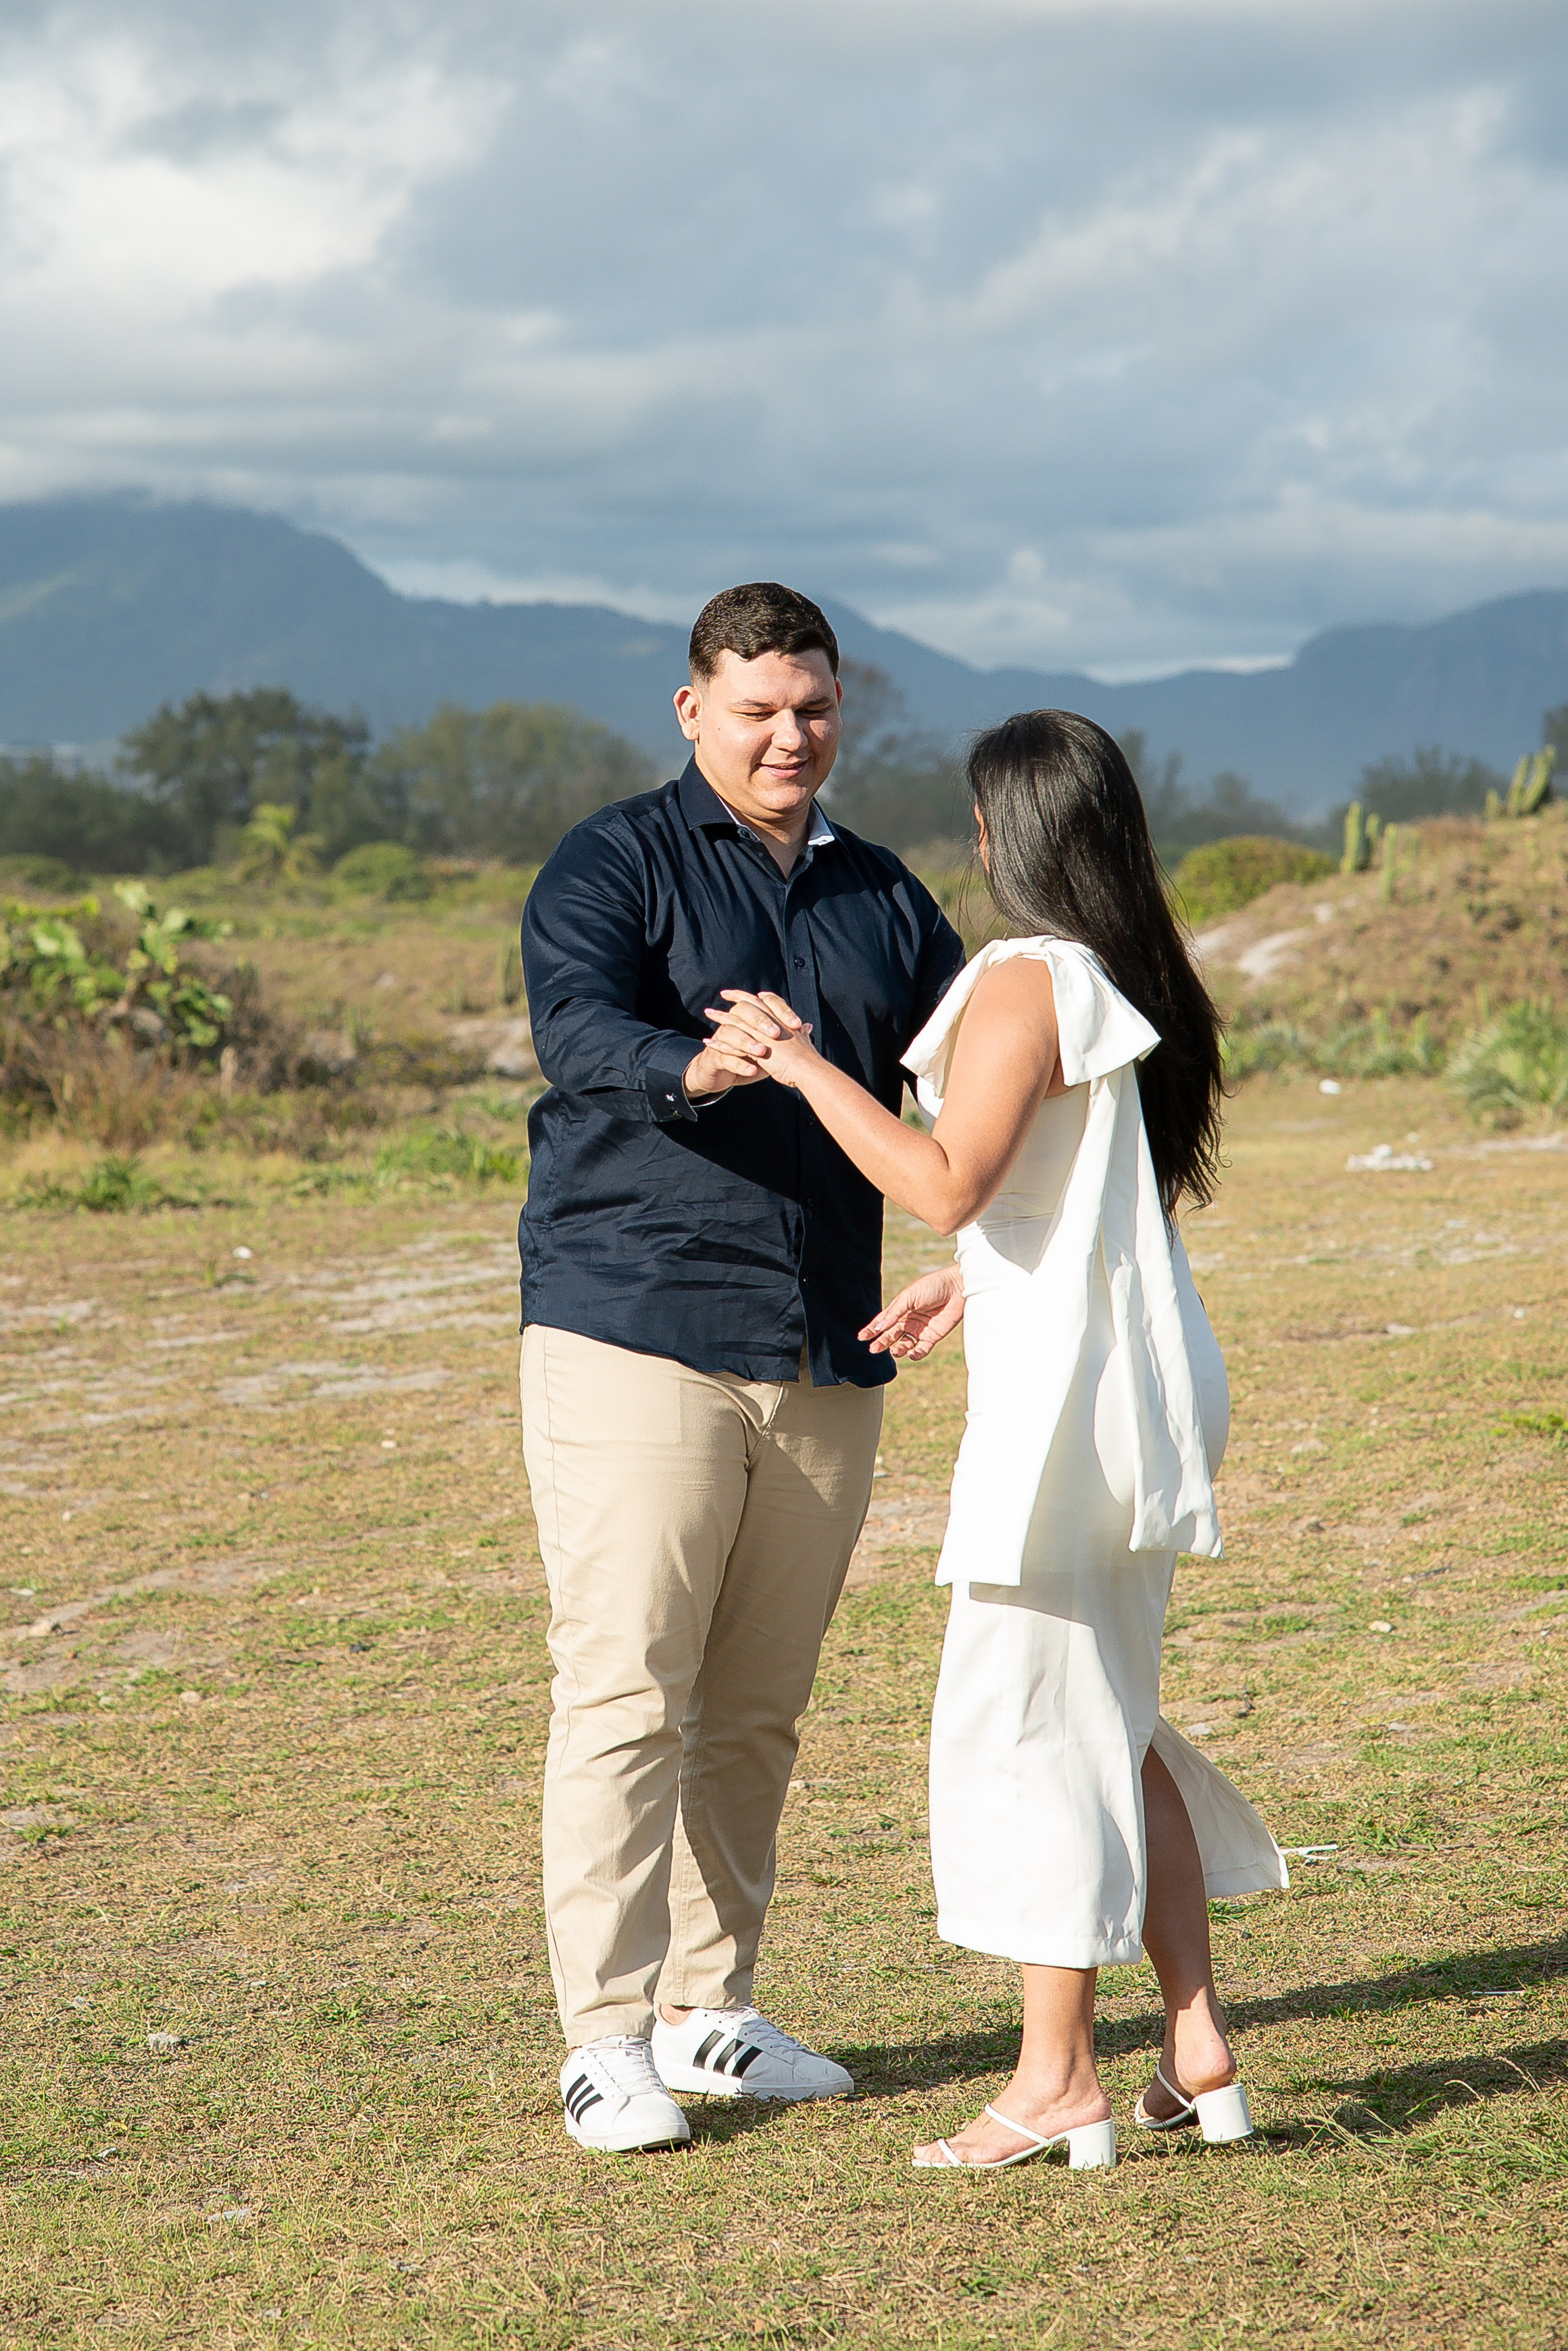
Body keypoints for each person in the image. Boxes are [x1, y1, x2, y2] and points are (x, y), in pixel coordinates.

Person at [705, 708, 1287, 2169]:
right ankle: (1194, 2044)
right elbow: (1080, 1203)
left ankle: (1053, 2081)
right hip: (1128, 1378)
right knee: (1105, 1712)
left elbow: (949, 1176)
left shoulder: (1026, 974)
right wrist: (979, 1282)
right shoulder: (1122, 974)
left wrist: (797, 1063)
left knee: (1037, 1726)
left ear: (996, 834)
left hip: (1067, 1413)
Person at [517, 581, 964, 2154]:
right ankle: (603, 2038)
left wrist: (973, 1251)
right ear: (693, 708)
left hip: (827, 1341)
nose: (791, 736)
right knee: (629, 1683)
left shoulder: (887, 897)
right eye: (760, 708)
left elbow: (969, 1085)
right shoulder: (612, 858)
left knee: (759, 1702)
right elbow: (572, 1025)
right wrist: (687, 1060)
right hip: (634, 1320)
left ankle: (713, 2014)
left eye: (816, 708)